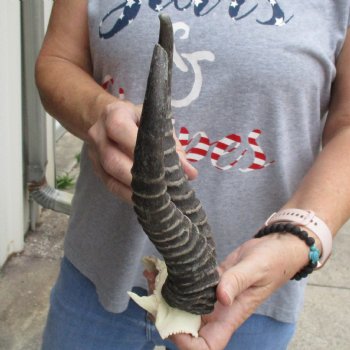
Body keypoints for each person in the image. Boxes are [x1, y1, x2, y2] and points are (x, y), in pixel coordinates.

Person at [35, 1, 350, 349]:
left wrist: (300, 234)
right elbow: (58, 61)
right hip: (98, 276)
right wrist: (98, 110)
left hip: (244, 297)